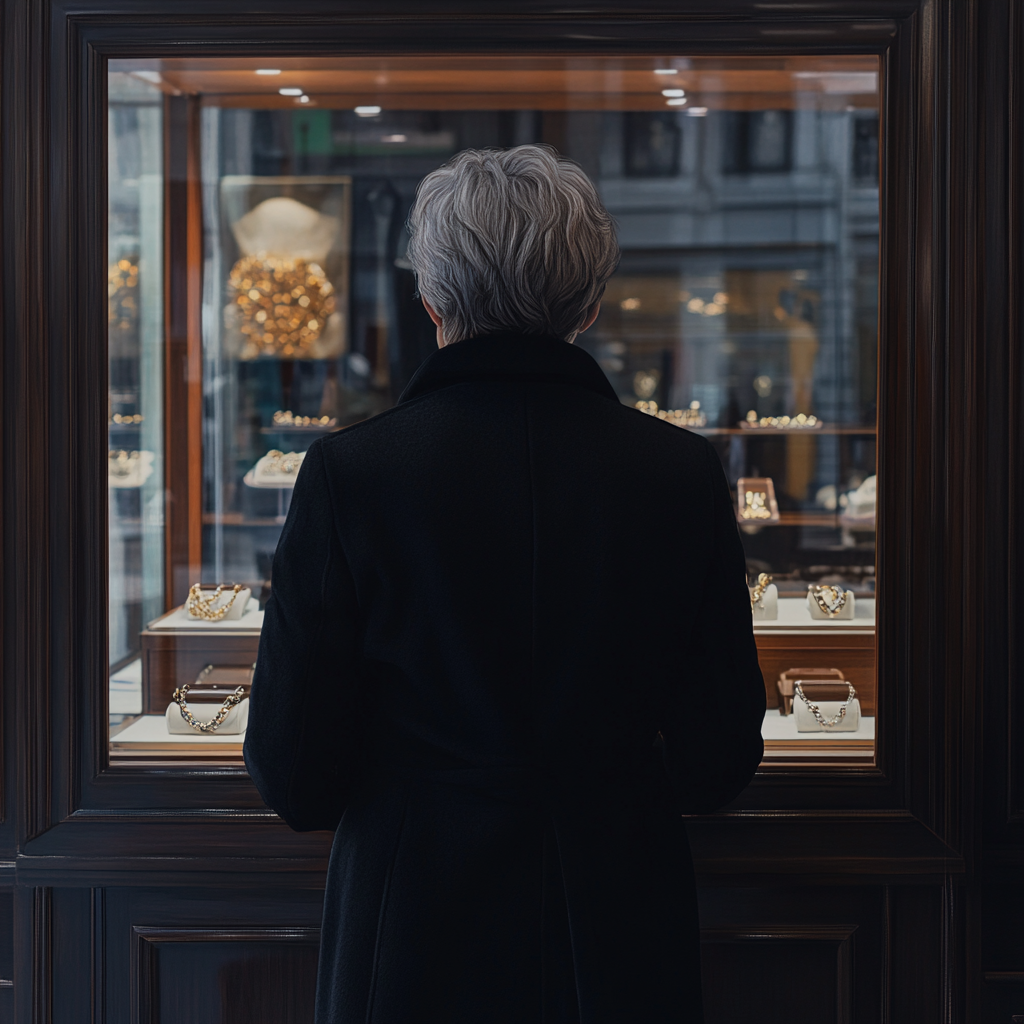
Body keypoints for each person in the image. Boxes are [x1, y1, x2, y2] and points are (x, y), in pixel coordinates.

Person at [244, 144, 765, 1024]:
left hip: (410, 928)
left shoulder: (350, 475)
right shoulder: (679, 473)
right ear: (591, 304)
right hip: (618, 918)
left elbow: (294, 774)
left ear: (431, 299)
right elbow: (718, 759)